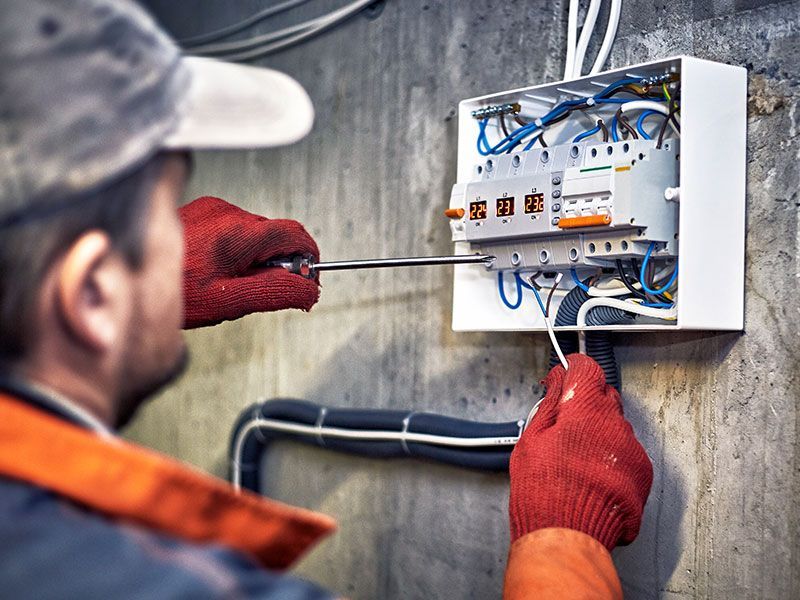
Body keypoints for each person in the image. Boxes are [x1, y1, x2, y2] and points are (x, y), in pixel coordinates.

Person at [0, 1, 653, 598]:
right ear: (89, 289)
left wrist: (139, 292)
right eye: (160, 217)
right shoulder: (142, 581)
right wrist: (566, 539)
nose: (180, 236)